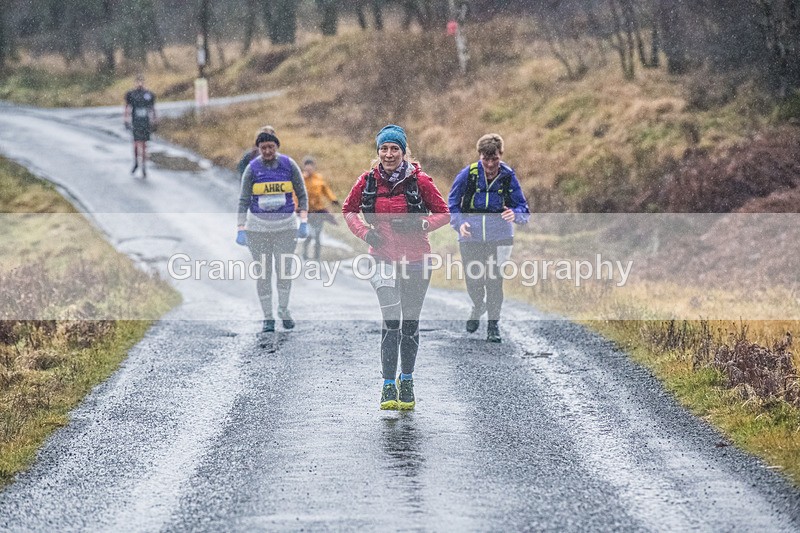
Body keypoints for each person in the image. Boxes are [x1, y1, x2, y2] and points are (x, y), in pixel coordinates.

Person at [343, 125, 450, 410]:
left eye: (394, 149)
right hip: (382, 260)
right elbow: (348, 209)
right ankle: (388, 384)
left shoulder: (420, 181)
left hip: (417, 261)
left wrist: (421, 224)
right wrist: (366, 233)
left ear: (403, 152)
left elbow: (444, 213)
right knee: (391, 322)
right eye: (384, 149)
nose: (389, 154)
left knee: (410, 323)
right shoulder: (367, 180)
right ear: (378, 151)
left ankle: (408, 380)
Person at [448, 133, 530, 343]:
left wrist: (515, 214)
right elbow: (453, 204)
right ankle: (478, 306)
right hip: (471, 236)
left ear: (501, 154)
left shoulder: (508, 176)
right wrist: (460, 223)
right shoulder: (468, 174)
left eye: (495, 159)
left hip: (500, 237)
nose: (491, 164)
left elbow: (523, 208)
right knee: (474, 280)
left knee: (494, 281)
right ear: (480, 156)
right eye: (486, 159)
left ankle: (493, 326)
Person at [236, 130, 309, 333]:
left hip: (286, 228)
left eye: (271, 147)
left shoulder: (289, 165)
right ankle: (267, 318)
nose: (267, 151)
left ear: (277, 147)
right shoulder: (252, 168)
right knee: (263, 273)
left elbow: (302, 195)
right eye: (263, 148)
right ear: (258, 149)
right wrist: (241, 227)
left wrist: (304, 221)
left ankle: (283, 310)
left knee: (284, 271)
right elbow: (243, 200)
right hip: (258, 229)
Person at [301, 155, 339, 262]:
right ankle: (305, 252)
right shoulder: (301, 179)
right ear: (304, 167)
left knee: (317, 234)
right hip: (307, 211)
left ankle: (316, 256)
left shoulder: (319, 178)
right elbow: (296, 193)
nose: (309, 168)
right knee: (310, 233)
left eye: (311, 165)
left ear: (314, 167)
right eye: (307, 165)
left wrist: (333, 199)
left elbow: (326, 190)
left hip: (319, 210)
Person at [124, 75, 157, 179]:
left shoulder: (148, 94)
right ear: (135, 83)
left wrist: (154, 119)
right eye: (137, 82)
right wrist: (126, 119)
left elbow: (152, 108)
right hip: (136, 122)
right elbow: (127, 107)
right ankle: (136, 162)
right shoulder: (131, 94)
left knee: (144, 145)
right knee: (136, 144)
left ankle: (143, 165)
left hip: (145, 122)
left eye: (141, 82)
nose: (139, 84)